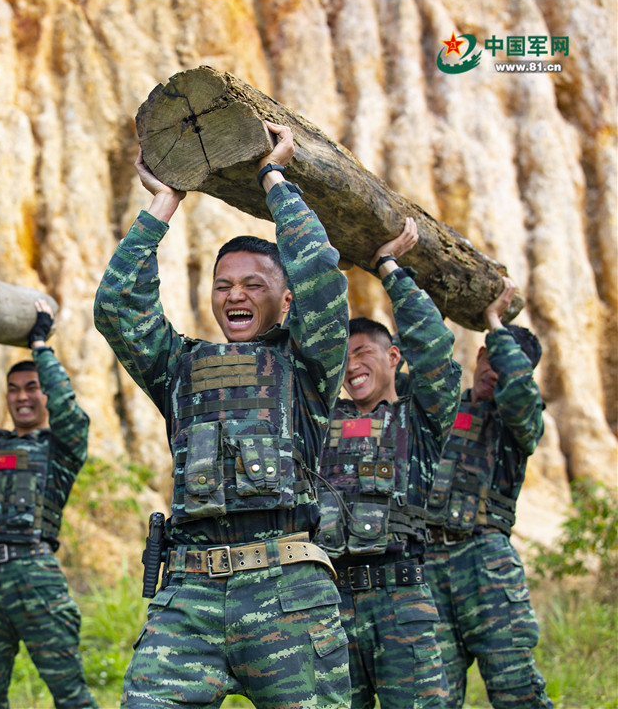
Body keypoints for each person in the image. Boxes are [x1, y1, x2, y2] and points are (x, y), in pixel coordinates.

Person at [94, 123, 351, 708]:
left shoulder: (308, 363)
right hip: (189, 597)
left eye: (254, 285)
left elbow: (322, 279)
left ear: (284, 301)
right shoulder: (178, 367)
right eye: (223, 285)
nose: (235, 295)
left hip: (287, 596)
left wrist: (275, 178)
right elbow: (116, 306)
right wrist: (164, 203)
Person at [313, 218, 460, 708]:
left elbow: (437, 351)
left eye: (362, 352)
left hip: (402, 605)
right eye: (343, 357)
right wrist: (327, 264)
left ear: (393, 356)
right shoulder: (316, 422)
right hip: (328, 606)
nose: (351, 365)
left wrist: (390, 268)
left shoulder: (419, 420)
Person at [0, 300, 97, 709]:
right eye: (13, 390)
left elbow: (65, 405)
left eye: (32, 388)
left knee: (70, 693)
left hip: (36, 574)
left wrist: (40, 346)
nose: (22, 398)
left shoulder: (62, 446)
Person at [423, 277, 553, 708]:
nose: (494, 376)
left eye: (506, 369)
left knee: (515, 690)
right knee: (435, 694)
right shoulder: (444, 410)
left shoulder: (519, 424)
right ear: (478, 357)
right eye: (489, 363)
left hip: (485, 562)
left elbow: (518, 390)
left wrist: (494, 323)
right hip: (427, 565)